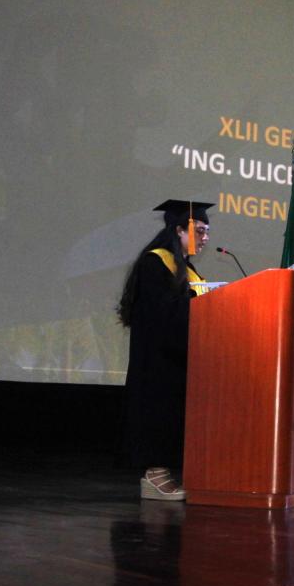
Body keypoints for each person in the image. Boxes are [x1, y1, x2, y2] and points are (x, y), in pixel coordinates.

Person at [117, 199, 214, 501]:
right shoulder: (155, 263)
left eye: (207, 231)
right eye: (199, 230)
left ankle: (174, 470)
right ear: (178, 230)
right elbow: (163, 313)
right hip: (159, 358)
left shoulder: (189, 269)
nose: (205, 237)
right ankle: (154, 475)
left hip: (182, 357)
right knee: (159, 412)